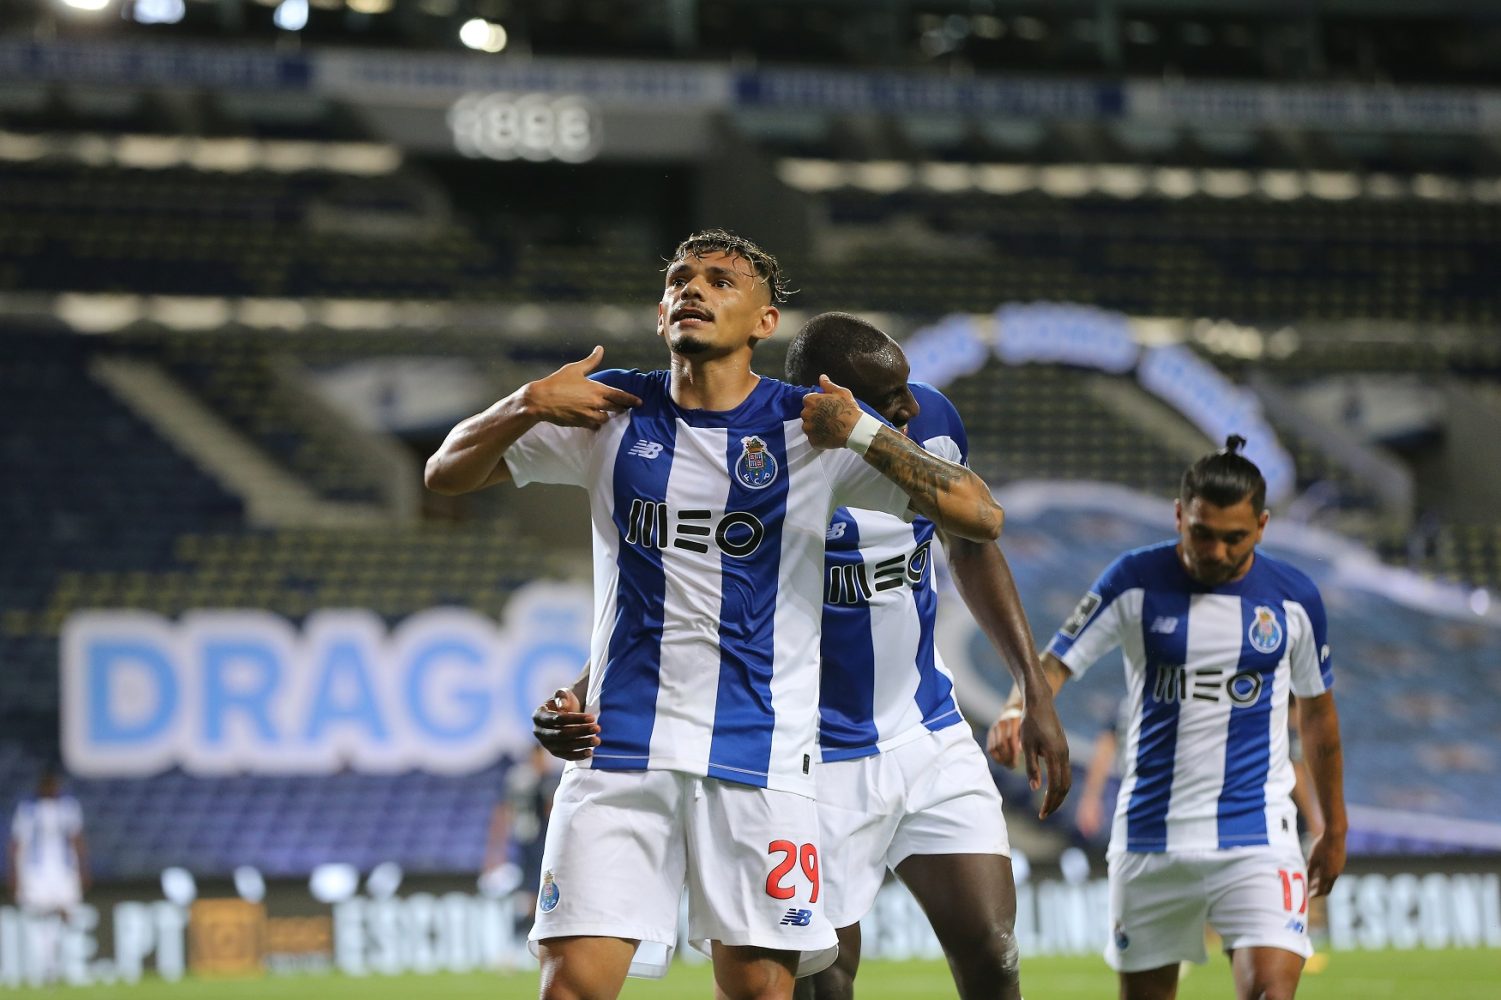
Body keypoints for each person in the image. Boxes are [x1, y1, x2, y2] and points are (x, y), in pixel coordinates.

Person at [425, 230, 1006, 1000]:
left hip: (760, 762)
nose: (693, 289)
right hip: (620, 752)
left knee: (761, 991)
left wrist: (862, 431)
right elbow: (446, 474)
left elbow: (979, 517)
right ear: (661, 309)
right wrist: (525, 401)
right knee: (570, 989)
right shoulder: (610, 414)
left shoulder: (809, 428)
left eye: (720, 280)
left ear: (765, 322)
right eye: (680, 278)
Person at [536, 312, 1072, 1000]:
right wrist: (589, 686)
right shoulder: (762, 458)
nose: (909, 408)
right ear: (824, 400)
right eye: (888, 399)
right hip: (810, 757)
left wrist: (1033, 689)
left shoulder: (929, 422)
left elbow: (972, 540)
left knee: (994, 955)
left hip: (925, 730)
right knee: (823, 981)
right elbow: (680, 600)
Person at [989, 435, 1347, 1000]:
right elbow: (1053, 664)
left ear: (1261, 526)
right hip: (1150, 838)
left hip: (1258, 836)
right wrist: (1017, 707)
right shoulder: (1134, 579)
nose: (1217, 551)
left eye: (1234, 538)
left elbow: (1320, 718)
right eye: (1202, 533)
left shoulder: (1293, 599)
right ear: (1180, 515)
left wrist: (1334, 826)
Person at [7, 768, 88, 987]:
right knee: (38, 918)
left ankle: (69, 966)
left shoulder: (69, 808)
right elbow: (17, 844)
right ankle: (44, 968)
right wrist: (14, 875)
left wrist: (82, 869)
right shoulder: (27, 810)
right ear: (41, 787)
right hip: (35, 873)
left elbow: (77, 839)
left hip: (64, 871)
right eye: (48, 785)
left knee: (68, 915)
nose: (52, 789)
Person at [484, 745, 563, 932]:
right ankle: (529, 921)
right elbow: (508, 809)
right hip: (534, 839)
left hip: (533, 837)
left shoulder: (530, 779)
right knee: (535, 880)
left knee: (537, 880)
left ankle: (530, 920)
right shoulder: (530, 780)